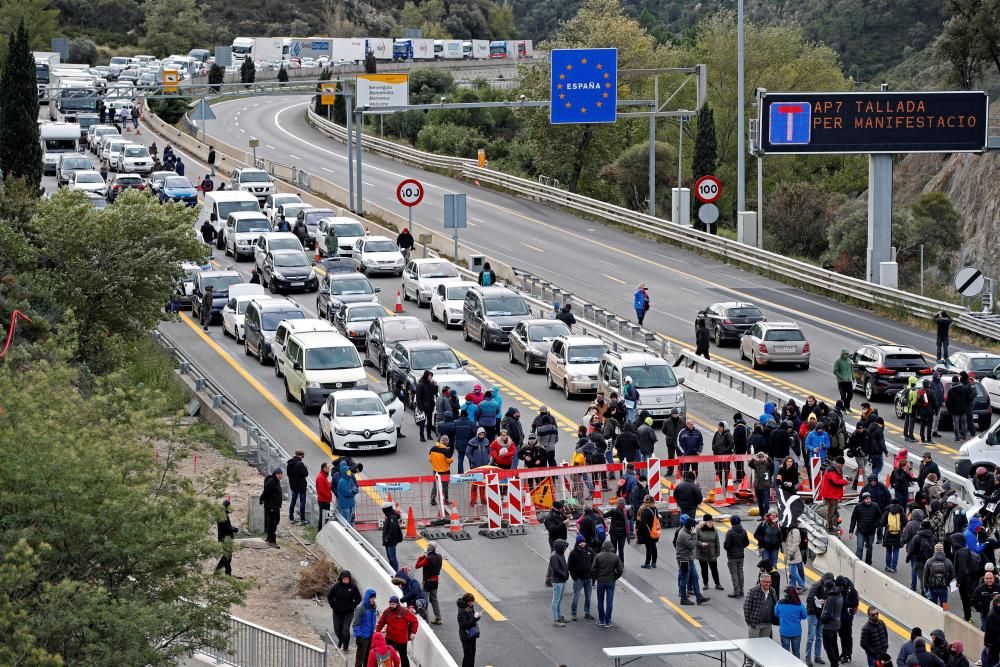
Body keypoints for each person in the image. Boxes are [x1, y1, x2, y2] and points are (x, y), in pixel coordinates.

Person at [676, 514, 710, 605]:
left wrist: (701, 544)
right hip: (684, 559)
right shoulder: (683, 534)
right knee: (684, 578)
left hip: (689, 558)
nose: (695, 527)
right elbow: (691, 545)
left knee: (695, 577)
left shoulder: (687, 531)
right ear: (690, 527)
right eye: (693, 526)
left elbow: (693, 541)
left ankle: (698, 597)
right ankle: (683, 598)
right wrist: (695, 534)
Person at [376, 596, 418, 667]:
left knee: (403, 656)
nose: (391, 606)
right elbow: (381, 623)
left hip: (401, 639)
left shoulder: (404, 611)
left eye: (393, 604)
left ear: (397, 604)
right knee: (386, 656)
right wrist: (377, 633)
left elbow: (414, 621)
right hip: (390, 638)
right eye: (390, 604)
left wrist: (413, 632)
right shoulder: (387, 611)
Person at [743, 573, 778, 657]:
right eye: (765, 582)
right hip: (755, 625)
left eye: (769, 582)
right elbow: (746, 607)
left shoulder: (772, 591)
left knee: (763, 646)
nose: (768, 584)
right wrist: (750, 623)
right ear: (760, 581)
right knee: (753, 646)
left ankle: (760, 663)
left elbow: (775, 605)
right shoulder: (753, 591)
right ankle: (750, 663)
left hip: (767, 624)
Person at [328, 571, 362, 651]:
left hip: (348, 612)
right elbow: (330, 597)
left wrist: (352, 606)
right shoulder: (336, 587)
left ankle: (345, 647)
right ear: (341, 579)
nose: (346, 581)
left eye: (347, 579)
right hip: (337, 612)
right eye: (344, 579)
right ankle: (341, 641)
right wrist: (333, 606)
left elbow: (358, 599)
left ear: (349, 579)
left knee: (345, 630)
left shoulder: (353, 587)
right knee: (337, 629)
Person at [593, 540, 624, 628]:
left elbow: (593, 569)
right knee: (609, 602)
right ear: (611, 547)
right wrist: (615, 577)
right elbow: (620, 570)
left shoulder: (598, 556)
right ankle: (608, 621)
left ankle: (601, 620)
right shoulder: (615, 557)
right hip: (611, 581)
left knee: (600, 601)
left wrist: (597, 577)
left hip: (601, 581)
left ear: (603, 547)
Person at [805, 572, 834, 667]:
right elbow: (809, 599)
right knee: (811, 637)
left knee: (819, 637)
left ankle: (817, 656)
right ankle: (808, 657)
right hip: (813, 614)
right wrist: (816, 607)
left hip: (821, 614)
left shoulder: (830, 585)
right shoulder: (816, 585)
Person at [775, 585, 808, 658]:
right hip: (796, 632)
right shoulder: (799, 605)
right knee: (796, 652)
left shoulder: (780, 603)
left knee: (785, 652)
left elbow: (776, 614)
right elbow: (804, 616)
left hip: (784, 631)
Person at [567, 535, 595, 621]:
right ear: (577, 543)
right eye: (580, 542)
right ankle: (573, 613)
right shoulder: (573, 553)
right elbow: (570, 566)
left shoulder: (590, 551)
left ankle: (587, 613)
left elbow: (593, 563)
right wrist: (574, 577)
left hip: (588, 578)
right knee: (576, 596)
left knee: (588, 597)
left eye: (583, 542)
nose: (582, 544)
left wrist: (592, 576)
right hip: (578, 578)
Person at [817, 457, 849, 533]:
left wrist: (844, 478)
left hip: (832, 493)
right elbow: (836, 481)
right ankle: (830, 528)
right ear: (838, 464)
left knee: (833, 509)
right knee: (830, 512)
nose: (842, 467)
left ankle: (835, 522)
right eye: (841, 465)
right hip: (830, 494)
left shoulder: (834, 468)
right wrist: (846, 482)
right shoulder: (832, 470)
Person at [850, 492, 882, 565]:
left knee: (869, 548)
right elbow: (853, 519)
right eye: (867, 499)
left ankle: (868, 563)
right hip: (860, 530)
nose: (868, 500)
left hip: (871, 531)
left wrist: (876, 525)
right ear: (863, 499)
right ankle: (858, 563)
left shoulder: (875, 506)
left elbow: (879, 517)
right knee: (860, 547)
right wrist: (851, 531)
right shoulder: (858, 507)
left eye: (869, 499)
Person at [415, 542, 444, 625]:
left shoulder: (428, 559)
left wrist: (421, 556)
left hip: (427, 582)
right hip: (435, 581)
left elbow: (417, 565)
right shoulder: (439, 556)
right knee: (434, 599)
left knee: (425, 601)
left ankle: (426, 620)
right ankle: (438, 618)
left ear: (429, 548)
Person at [544, 502, 569, 586]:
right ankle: (549, 579)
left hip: (562, 541)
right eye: (559, 509)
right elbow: (552, 529)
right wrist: (563, 523)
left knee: (559, 559)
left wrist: (567, 518)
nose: (561, 510)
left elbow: (564, 518)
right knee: (555, 559)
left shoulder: (559, 514)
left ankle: (557, 577)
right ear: (555, 508)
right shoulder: (549, 518)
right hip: (555, 542)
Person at [696, 514, 724, 591]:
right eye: (709, 521)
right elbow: (695, 540)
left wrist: (717, 553)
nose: (711, 523)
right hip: (702, 553)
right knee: (704, 569)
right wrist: (701, 544)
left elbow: (717, 542)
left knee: (714, 569)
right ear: (705, 522)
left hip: (712, 553)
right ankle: (705, 583)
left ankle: (717, 583)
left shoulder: (714, 530)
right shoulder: (699, 530)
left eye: (712, 521)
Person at [724, 515, 750, 598]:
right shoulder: (743, 531)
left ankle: (736, 592)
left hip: (732, 556)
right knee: (740, 573)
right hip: (741, 555)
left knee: (734, 574)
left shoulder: (730, 532)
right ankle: (741, 591)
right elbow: (747, 543)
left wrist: (727, 547)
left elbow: (727, 545)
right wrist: (740, 547)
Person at [923, 543, 955, 608]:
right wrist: (947, 582)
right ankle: (945, 615)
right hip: (943, 587)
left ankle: (934, 616)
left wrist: (925, 586)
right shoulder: (948, 561)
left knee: (933, 605)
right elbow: (953, 574)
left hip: (932, 587)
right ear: (943, 550)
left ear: (934, 550)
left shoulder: (929, 561)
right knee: (944, 604)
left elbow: (925, 575)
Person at [820, 579, 843, 667]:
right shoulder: (839, 595)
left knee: (828, 646)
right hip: (836, 624)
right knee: (834, 644)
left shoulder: (831, 597)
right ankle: (836, 661)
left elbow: (828, 614)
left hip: (829, 626)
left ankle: (834, 663)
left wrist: (822, 618)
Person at [352, 590, 379, 667]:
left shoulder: (373, 606)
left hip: (370, 635)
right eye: (372, 598)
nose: (373, 600)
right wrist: (358, 636)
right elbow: (355, 624)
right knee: (360, 659)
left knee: (368, 658)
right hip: (362, 637)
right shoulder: (360, 608)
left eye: (374, 598)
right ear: (368, 598)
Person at [259, 467, 283, 548]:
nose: (280, 476)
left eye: (280, 474)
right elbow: (266, 492)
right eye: (278, 474)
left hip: (276, 506)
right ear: (275, 474)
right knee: (273, 522)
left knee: (276, 521)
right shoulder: (271, 482)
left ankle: (269, 537)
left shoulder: (277, 481)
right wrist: (261, 499)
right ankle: (272, 541)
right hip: (271, 506)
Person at [549, 538, 570, 627]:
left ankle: (559, 616)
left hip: (561, 580)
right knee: (556, 600)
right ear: (560, 547)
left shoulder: (560, 553)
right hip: (558, 581)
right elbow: (556, 569)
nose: (565, 549)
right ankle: (555, 619)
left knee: (559, 599)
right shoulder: (554, 556)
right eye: (564, 547)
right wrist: (565, 575)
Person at [215, 498, 239, 576]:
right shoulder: (223, 516)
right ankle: (218, 571)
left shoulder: (222, 514)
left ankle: (227, 573)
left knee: (228, 556)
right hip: (225, 539)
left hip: (224, 538)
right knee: (226, 556)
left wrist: (232, 528)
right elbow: (227, 528)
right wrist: (234, 529)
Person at [428, 435, 454, 506]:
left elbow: (430, 459)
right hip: (444, 471)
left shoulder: (432, 449)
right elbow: (449, 461)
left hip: (435, 470)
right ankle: (445, 500)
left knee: (435, 485)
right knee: (445, 486)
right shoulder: (446, 450)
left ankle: (432, 500)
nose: (447, 444)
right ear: (446, 443)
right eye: (447, 442)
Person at [881, 501, 906, 573]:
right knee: (896, 550)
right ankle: (893, 567)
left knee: (888, 550)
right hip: (898, 533)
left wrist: (887, 525)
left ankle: (888, 566)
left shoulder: (887, 511)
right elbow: (906, 522)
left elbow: (882, 522)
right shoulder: (901, 511)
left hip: (888, 533)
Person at [636, 495, 660, 569]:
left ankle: (647, 563)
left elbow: (643, 523)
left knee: (648, 548)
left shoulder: (645, 511)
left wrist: (639, 532)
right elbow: (658, 518)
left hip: (648, 532)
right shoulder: (655, 509)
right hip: (655, 531)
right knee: (654, 546)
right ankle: (654, 562)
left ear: (647, 502)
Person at [456, 593, 480, 667]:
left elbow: (472, 619)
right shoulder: (462, 612)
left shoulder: (470, 607)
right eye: (471, 601)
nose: (472, 603)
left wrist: (477, 617)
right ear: (467, 602)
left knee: (472, 654)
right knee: (467, 656)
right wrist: (475, 618)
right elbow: (465, 625)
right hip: (466, 636)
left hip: (472, 635)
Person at [603, 498, 630, 564]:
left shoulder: (613, 511)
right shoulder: (626, 511)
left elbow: (604, 515)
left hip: (614, 533)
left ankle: (614, 564)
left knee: (614, 549)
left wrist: (598, 511)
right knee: (621, 550)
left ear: (618, 504)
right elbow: (631, 517)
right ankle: (621, 564)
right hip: (623, 533)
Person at [285, 450, 309, 525]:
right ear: (300, 455)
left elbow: (288, 474)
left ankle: (291, 518)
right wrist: (305, 467)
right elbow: (305, 474)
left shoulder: (289, 463)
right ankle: (303, 519)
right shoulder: (300, 464)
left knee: (293, 501)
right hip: (301, 486)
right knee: (302, 502)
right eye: (302, 456)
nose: (303, 457)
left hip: (293, 486)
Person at [749, 452, 773, 517]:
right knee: (760, 503)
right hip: (757, 486)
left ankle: (766, 515)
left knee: (766, 502)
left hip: (765, 486)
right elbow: (750, 464)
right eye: (759, 457)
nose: (760, 459)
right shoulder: (756, 464)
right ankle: (762, 516)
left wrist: (768, 458)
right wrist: (754, 458)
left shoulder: (767, 464)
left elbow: (772, 464)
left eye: (761, 457)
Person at [946, 377, 969, 442]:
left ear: (953, 382)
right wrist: (966, 406)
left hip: (954, 410)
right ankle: (965, 437)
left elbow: (948, 402)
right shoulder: (964, 388)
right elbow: (968, 399)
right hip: (963, 409)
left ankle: (957, 437)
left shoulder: (951, 391)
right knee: (964, 424)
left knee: (956, 424)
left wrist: (949, 410)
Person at [381, 502, 403, 571]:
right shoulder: (389, 516)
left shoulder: (392, 517)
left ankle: (395, 571)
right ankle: (391, 569)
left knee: (392, 557)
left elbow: (393, 529)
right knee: (389, 557)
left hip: (391, 541)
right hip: (388, 540)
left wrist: (387, 538)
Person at [661, 408, 683, 476]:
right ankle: (670, 472)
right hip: (670, 442)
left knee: (680, 457)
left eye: (677, 414)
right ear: (671, 414)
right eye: (674, 414)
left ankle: (680, 471)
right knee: (671, 457)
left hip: (679, 443)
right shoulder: (666, 421)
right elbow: (663, 430)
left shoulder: (682, 421)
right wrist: (669, 435)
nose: (676, 415)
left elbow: (684, 430)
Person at [785, 520, 806, 590]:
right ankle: (792, 586)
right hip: (792, 554)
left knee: (792, 571)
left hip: (794, 554)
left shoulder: (795, 531)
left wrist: (791, 553)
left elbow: (796, 543)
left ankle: (802, 585)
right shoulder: (791, 530)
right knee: (792, 571)